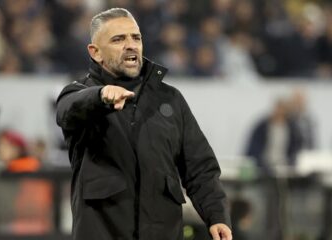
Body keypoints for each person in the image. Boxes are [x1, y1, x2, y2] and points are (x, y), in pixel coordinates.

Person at [56, 8, 232, 240]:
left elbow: (200, 167)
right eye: (118, 39)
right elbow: (67, 110)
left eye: (135, 37)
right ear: (95, 52)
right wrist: (100, 96)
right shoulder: (81, 94)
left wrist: (217, 215)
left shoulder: (170, 99)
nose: (131, 45)